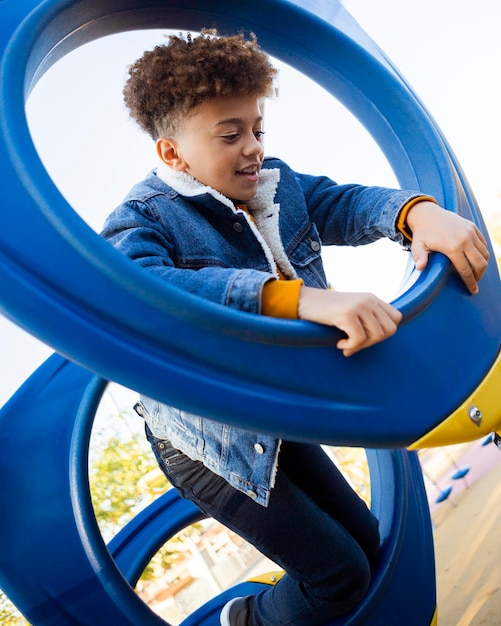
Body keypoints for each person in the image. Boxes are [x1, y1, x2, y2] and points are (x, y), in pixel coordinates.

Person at [101, 31, 489, 626]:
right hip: (208, 442)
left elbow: (343, 203)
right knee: (339, 576)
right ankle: (241, 621)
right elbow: (140, 291)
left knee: (371, 548)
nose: (253, 148)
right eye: (230, 135)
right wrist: (295, 299)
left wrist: (415, 214)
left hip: (274, 415)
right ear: (173, 154)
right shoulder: (145, 219)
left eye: (258, 129)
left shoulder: (273, 184)